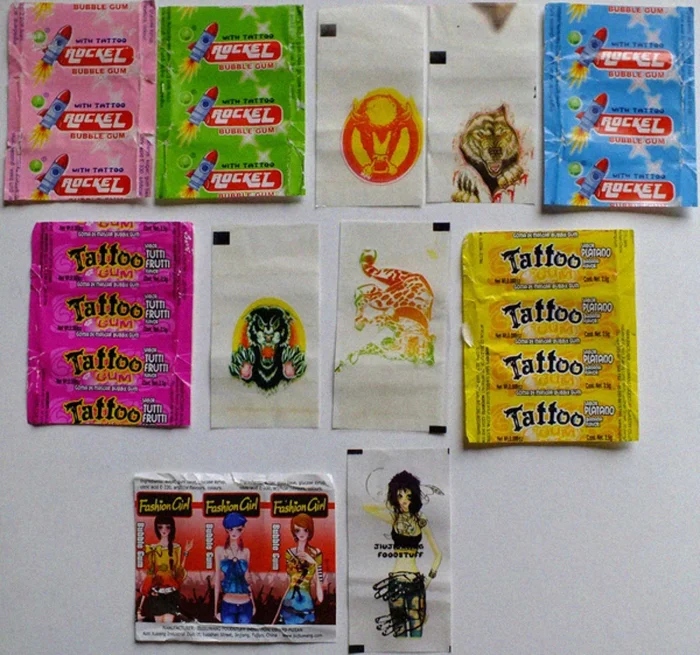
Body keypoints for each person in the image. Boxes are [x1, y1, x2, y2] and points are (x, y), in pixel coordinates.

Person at [364, 471, 442, 638]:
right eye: (400, 496)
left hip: (415, 581)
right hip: (396, 581)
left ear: (414, 497)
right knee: (398, 630)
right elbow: (367, 508)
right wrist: (390, 504)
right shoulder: (394, 518)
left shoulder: (420, 519)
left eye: (408, 496)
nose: (404, 500)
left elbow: (438, 554)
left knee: (416, 629)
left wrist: (428, 580)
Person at [137, 514, 193, 622]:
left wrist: (186, 553)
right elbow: (150, 575)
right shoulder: (153, 549)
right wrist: (140, 607)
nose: (164, 530)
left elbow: (179, 572)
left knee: (168, 623)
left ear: (172, 528)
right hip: (157, 594)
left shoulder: (176, 548)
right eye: (160, 527)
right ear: (156, 528)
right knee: (159, 625)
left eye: (167, 527)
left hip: (171, 594)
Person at [275, 513, 324, 624]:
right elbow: (289, 581)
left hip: (306, 603)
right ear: (294, 531)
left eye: (305, 530)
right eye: (297, 530)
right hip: (289, 602)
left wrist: (313, 562)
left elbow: (320, 594)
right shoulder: (289, 553)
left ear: (310, 530)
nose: (301, 533)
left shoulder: (316, 553)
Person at [214, 512, 255, 623]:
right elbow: (217, 581)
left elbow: (247, 579)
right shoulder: (219, 551)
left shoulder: (246, 552)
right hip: (228, 602)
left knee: (245, 633)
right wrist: (215, 609)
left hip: (246, 602)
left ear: (243, 529)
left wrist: (253, 604)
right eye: (231, 529)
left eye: (238, 529)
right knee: (228, 632)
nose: (234, 532)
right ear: (226, 529)